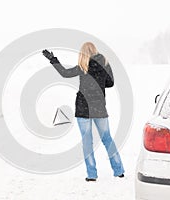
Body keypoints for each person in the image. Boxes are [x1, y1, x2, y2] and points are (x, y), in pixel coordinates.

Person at [42, 42, 124, 181]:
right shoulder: (104, 63)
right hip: (99, 109)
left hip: (83, 108)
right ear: (95, 51)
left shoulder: (83, 66)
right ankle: (119, 171)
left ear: (83, 53)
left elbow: (65, 73)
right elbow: (110, 83)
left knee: (87, 142)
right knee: (108, 140)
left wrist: (53, 59)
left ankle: (92, 175)